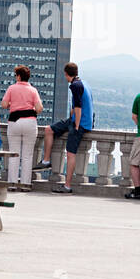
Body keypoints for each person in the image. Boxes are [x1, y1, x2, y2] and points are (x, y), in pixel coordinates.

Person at [34, 62, 93, 194]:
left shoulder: (75, 86)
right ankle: (46, 160)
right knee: (49, 130)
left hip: (80, 123)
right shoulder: (83, 83)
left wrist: (76, 125)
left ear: (66, 74)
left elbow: (78, 107)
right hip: (77, 119)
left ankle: (67, 186)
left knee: (70, 153)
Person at [0, 65, 43, 192]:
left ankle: (12, 183)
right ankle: (25, 184)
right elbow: (39, 108)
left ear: (18, 76)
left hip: (14, 121)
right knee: (27, 155)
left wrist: (13, 105)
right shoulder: (33, 90)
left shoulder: (12, 88)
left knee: (14, 154)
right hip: (30, 122)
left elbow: (3, 104)